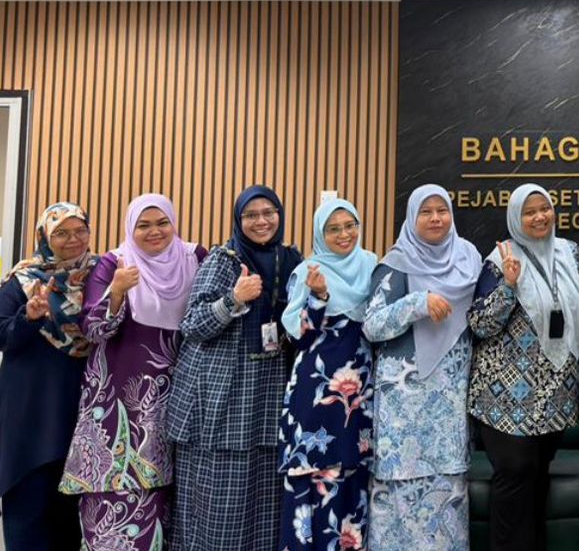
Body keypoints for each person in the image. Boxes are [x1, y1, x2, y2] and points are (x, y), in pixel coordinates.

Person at [60, 194, 204, 550]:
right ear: (130, 228)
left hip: (177, 400)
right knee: (113, 501)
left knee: (168, 505)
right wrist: (117, 292)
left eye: (162, 223)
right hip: (117, 405)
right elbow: (93, 330)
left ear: (173, 223)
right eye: (143, 225)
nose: (154, 231)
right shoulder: (115, 262)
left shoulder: (195, 258)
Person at [166, 184, 302, 551]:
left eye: (268, 213)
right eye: (250, 215)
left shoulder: (291, 260)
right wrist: (233, 299)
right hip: (221, 398)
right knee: (217, 501)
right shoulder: (223, 261)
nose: (261, 221)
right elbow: (193, 324)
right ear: (238, 220)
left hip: (268, 392)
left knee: (264, 499)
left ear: (280, 215)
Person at [468, 183, 579, 551]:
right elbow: (480, 324)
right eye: (529, 212)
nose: (539, 217)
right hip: (505, 397)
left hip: (555, 393)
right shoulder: (500, 258)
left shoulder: (571, 252)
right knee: (515, 473)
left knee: (537, 477)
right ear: (515, 218)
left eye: (544, 209)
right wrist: (509, 285)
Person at [364, 184, 480, 551]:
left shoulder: (469, 260)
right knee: (399, 501)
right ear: (412, 217)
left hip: (449, 404)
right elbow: (372, 326)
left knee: (447, 498)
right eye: (426, 212)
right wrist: (417, 303)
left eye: (441, 210)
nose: (435, 218)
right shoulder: (396, 264)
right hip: (403, 410)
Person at [0, 202, 97, 550]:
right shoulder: (24, 279)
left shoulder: (100, 275)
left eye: (80, 230)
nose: (73, 239)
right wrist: (29, 317)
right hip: (29, 411)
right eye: (61, 232)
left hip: (78, 408)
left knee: (70, 517)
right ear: (45, 237)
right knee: (28, 509)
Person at [278, 197, 378, 550]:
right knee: (311, 483)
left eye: (350, 226)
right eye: (333, 229)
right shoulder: (309, 271)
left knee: (353, 479)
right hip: (316, 393)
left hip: (360, 394)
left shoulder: (372, 265)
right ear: (321, 234)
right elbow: (298, 336)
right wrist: (319, 295)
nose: (344, 234)